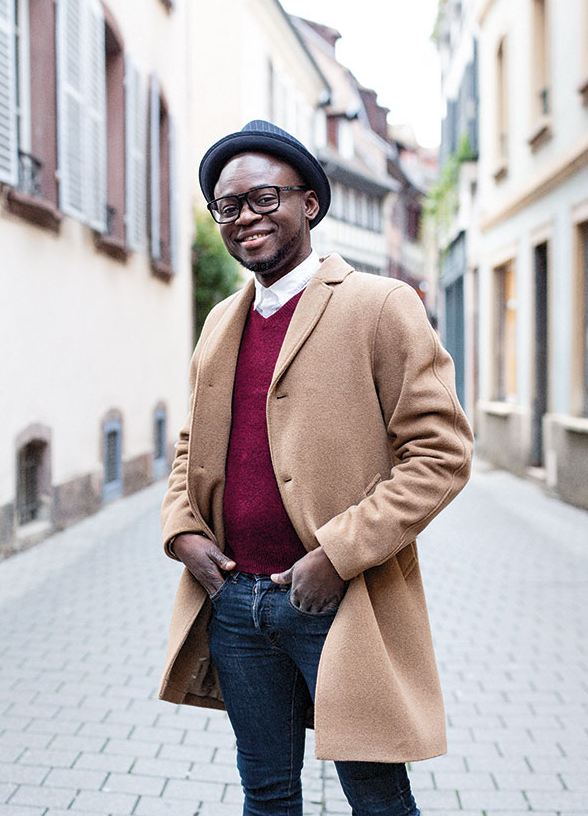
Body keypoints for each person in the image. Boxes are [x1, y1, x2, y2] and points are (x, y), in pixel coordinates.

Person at [159, 120, 473, 816]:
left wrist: (337, 554)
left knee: (379, 799)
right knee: (266, 794)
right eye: (229, 206)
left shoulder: (379, 305)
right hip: (236, 602)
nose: (246, 218)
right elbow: (192, 445)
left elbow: (442, 453)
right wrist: (181, 529)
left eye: (265, 198)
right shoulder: (219, 323)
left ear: (310, 203)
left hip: (342, 598)